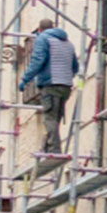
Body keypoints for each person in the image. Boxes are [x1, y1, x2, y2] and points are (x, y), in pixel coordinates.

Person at [19, 19, 78, 160]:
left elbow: (38, 61)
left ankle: (54, 149)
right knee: (55, 118)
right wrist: (65, 77)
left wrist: (25, 79)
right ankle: (48, 145)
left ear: (39, 30)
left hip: (51, 84)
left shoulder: (42, 39)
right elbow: (75, 67)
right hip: (66, 86)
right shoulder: (68, 43)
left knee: (49, 118)